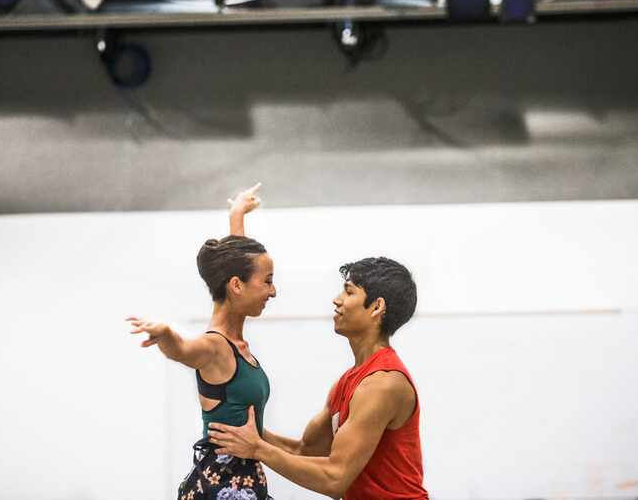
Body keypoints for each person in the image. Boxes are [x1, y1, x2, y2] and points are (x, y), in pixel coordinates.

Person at [208, 256, 428, 500]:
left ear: (376, 307)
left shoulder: (383, 384)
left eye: (349, 292)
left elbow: (334, 478)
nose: (337, 300)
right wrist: (249, 428)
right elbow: (305, 450)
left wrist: (258, 448)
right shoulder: (348, 382)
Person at [127, 183, 278, 500]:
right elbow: (182, 349)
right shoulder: (215, 347)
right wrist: (165, 332)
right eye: (267, 282)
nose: (273, 291)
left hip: (244, 482)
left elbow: (239, 261)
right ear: (237, 286)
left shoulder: (236, 341)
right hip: (221, 487)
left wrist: (236, 215)